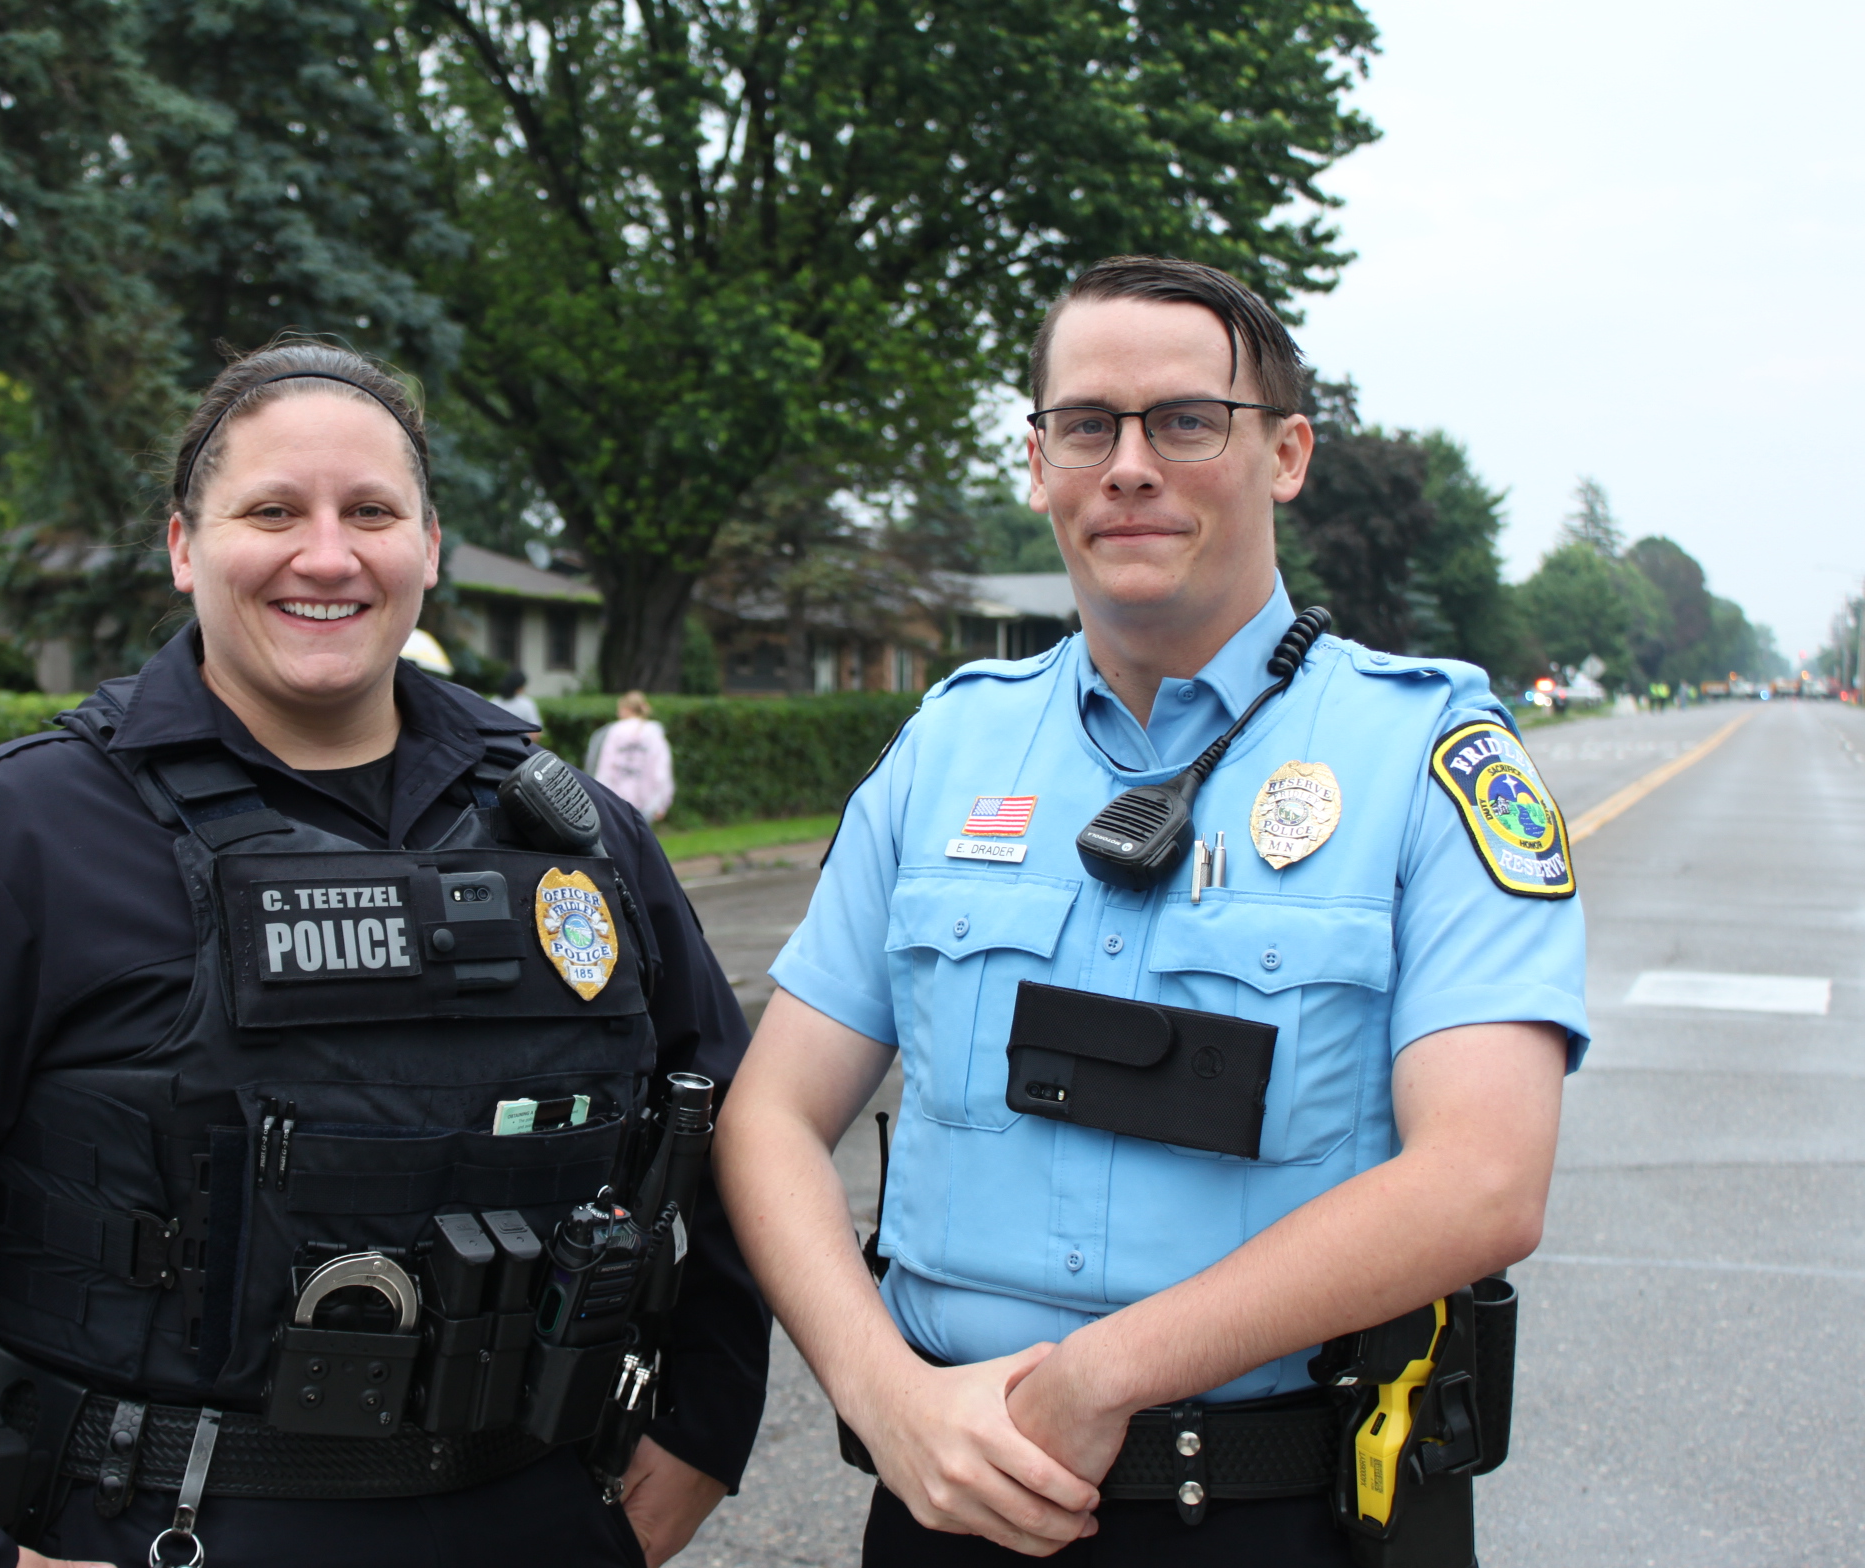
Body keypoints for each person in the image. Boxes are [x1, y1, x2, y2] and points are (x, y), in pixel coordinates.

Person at [0, 340, 767, 1568]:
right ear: (185, 546)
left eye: (371, 512)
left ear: (428, 547)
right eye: (272, 510)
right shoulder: (6, 842)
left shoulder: (578, 835)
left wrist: (704, 1427)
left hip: (538, 1507)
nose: (326, 555)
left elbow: (734, 1137)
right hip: (163, 1523)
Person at [713, 257, 1587, 1565]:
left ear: (1285, 454)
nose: (1128, 466)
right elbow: (770, 1116)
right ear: (1037, 461)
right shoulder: (947, 749)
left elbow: (1482, 1179)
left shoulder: (1426, 755)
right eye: (1086, 425)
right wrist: (878, 1392)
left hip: (1278, 1517)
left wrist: (1100, 1376)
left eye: (1185, 421)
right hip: (946, 1506)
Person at [591, 692, 675, 823]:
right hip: (647, 800)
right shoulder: (654, 732)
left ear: (626, 709)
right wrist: (662, 802)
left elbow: (606, 767)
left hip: (617, 799)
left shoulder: (615, 730)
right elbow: (662, 769)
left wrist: (599, 796)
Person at [490, 666, 543, 733]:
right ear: (519, 687)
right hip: (520, 742)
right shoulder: (526, 704)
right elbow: (535, 733)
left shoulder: (494, 702)